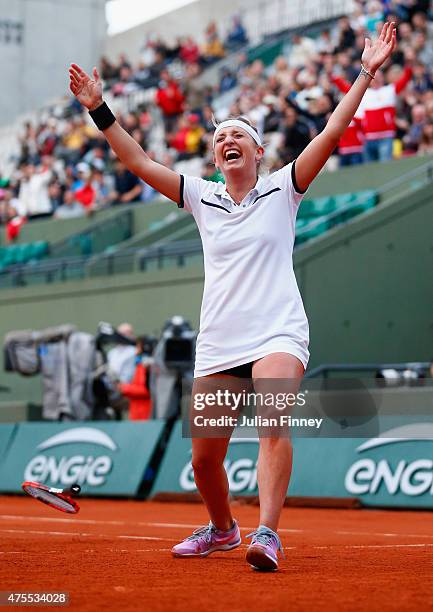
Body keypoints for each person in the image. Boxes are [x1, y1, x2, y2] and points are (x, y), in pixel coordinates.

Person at [69, 21, 397, 572]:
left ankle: (267, 533)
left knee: (273, 421)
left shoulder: (284, 188)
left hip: (277, 330)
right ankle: (223, 530)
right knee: (203, 460)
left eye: (238, 135)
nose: (226, 141)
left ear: (258, 151)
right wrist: (100, 110)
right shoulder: (201, 198)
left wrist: (365, 73)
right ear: (216, 158)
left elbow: (333, 132)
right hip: (221, 339)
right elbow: (141, 162)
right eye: (220, 138)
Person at [118, 336, 152, 420]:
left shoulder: (148, 367)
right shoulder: (139, 366)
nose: (136, 351)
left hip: (146, 415)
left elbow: (147, 390)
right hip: (136, 414)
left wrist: (124, 388)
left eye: (138, 347)